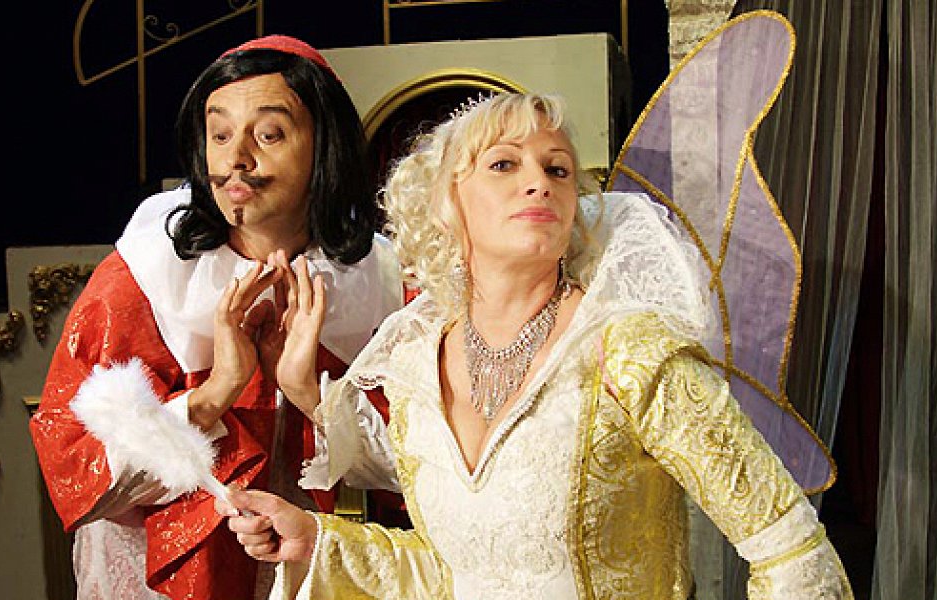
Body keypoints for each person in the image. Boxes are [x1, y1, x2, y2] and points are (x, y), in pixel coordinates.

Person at [216, 93, 854, 599]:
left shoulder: (629, 351)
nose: (539, 183)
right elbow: (451, 571)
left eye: (558, 169)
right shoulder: (413, 366)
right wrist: (315, 539)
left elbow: (792, 551)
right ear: (447, 201)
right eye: (504, 165)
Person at [29, 35, 406, 600]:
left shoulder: (378, 284)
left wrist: (310, 394)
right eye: (220, 134)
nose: (236, 160)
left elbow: (423, 470)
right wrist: (216, 391)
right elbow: (75, 473)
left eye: (269, 135)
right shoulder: (144, 277)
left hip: (303, 565)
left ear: (325, 145)